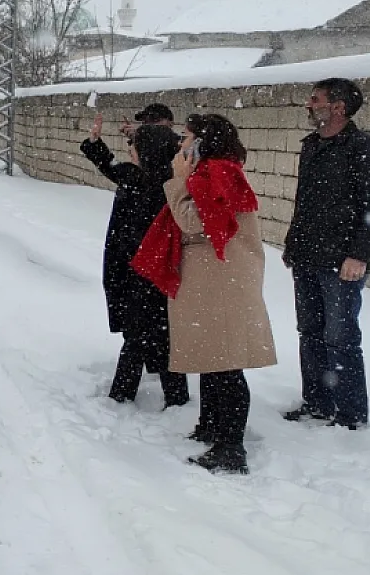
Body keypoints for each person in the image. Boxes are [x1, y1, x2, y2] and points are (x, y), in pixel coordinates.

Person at [132, 113, 277, 475]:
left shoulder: (220, 173)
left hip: (222, 282)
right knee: (213, 358)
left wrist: (178, 182)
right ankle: (211, 426)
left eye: (187, 137)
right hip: (213, 280)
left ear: (202, 142)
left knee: (226, 364)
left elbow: (196, 222)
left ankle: (231, 447)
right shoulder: (212, 171)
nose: (180, 145)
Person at [282, 78, 370, 430]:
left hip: (341, 261)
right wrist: (293, 245)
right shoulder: (311, 146)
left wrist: (359, 255)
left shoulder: (364, 147)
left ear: (338, 108)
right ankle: (317, 403)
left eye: (315, 99)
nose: (309, 105)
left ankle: (350, 416)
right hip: (307, 256)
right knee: (310, 331)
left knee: (341, 338)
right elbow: (305, 204)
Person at [81, 115, 189, 407]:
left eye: (136, 146)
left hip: (146, 268)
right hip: (140, 267)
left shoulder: (164, 185)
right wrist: (95, 143)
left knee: (145, 334)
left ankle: (131, 394)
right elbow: (110, 166)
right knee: (150, 332)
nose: (131, 150)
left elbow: (111, 168)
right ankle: (169, 394)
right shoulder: (147, 177)